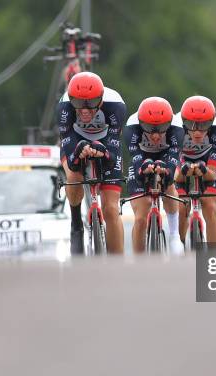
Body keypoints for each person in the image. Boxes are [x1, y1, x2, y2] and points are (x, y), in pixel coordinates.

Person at [57, 72, 127, 254]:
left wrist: (103, 152)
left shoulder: (116, 106)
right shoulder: (64, 107)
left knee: (111, 209)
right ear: (72, 100)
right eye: (79, 104)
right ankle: (76, 222)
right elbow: (71, 159)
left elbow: (112, 153)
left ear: (101, 101)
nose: (85, 110)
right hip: (75, 139)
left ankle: (116, 263)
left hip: (105, 142)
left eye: (91, 104)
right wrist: (79, 153)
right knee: (73, 175)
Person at [123, 97, 185, 254]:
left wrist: (166, 172)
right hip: (142, 158)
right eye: (150, 129)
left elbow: (172, 166)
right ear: (141, 123)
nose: (156, 136)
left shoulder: (177, 128)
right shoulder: (132, 126)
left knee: (169, 184)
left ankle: (174, 235)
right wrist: (143, 170)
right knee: (140, 217)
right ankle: (139, 260)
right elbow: (136, 163)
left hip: (165, 157)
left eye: (162, 128)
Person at [174, 96, 216, 244]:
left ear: (211, 123)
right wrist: (183, 171)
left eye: (203, 126)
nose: (197, 132)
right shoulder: (175, 128)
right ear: (184, 122)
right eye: (191, 125)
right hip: (183, 159)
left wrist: (203, 170)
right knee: (182, 205)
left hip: (207, 160)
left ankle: (214, 258)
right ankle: (180, 244)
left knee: (210, 207)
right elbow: (176, 176)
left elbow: (211, 174)